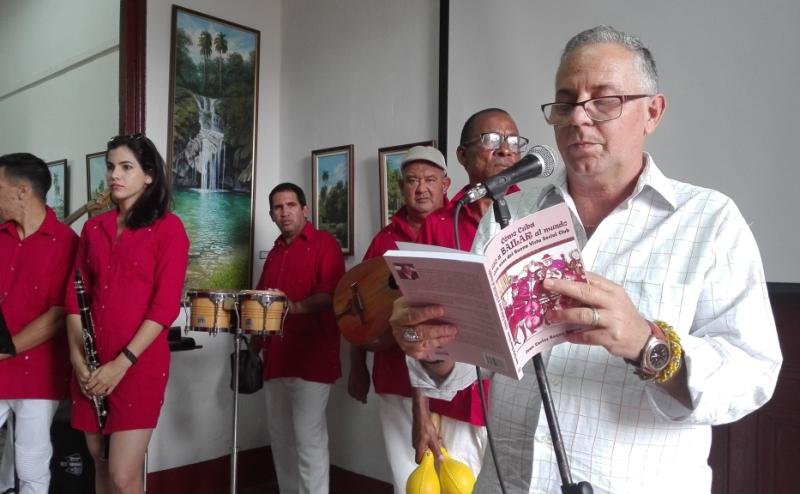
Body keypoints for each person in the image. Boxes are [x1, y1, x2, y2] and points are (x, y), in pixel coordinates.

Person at [391, 25, 783, 493]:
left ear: (652, 112)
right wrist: (431, 346)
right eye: (565, 101)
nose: (579, 118)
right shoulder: (509, 214)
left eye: (604, 100)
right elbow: (469, 365)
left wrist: (648, 345)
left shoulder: (709, 221)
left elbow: (754, 373)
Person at [65, 134, 189, 494]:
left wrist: (121, 364)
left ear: (149, 175)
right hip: (90, 365)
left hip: (138, 365)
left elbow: (164, 308)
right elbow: (74, 298)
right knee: (100, 465)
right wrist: (77, 360)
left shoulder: (169, 229)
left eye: (126, 167)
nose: (114, 175)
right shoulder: (93, 228)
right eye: (110, 167)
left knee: (123, 474)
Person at [412, 109, 529, 477]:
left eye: (513, 141)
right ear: (462, 156)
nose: (505, 150)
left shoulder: (537, 214)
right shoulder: (438, 224)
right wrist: (421, 411)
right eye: (492, 140)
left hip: (523, 401)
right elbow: (422, 322)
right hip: (459, 403)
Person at [347, 146, 450, 493]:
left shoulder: (461, 230)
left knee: (458, 478)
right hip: (394, 377)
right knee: (408, 479)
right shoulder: (384, 239)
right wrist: (358, 365)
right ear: (401, 188)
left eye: (430, 180)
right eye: (412, 181)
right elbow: (356, 302)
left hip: (455, 379)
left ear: (446, 184)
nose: (421, 188)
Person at [255, 182, 345, 494]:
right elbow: (262, 302)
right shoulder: (275, 252)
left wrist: (293, 307)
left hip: (312, 360)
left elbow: (331, 295)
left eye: (290, 205)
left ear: (304, 209)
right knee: (281, 441)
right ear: (272, 215)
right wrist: (253, 349)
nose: (285, 212)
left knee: (308, 441)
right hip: (275, 358)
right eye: (278, 208)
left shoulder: (325, 244)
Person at [0, 153, 78, 494]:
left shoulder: (67, 243)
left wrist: (7, 349)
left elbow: (59, 314)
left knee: (31, 462)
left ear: (21, 191)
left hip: (39, 371)